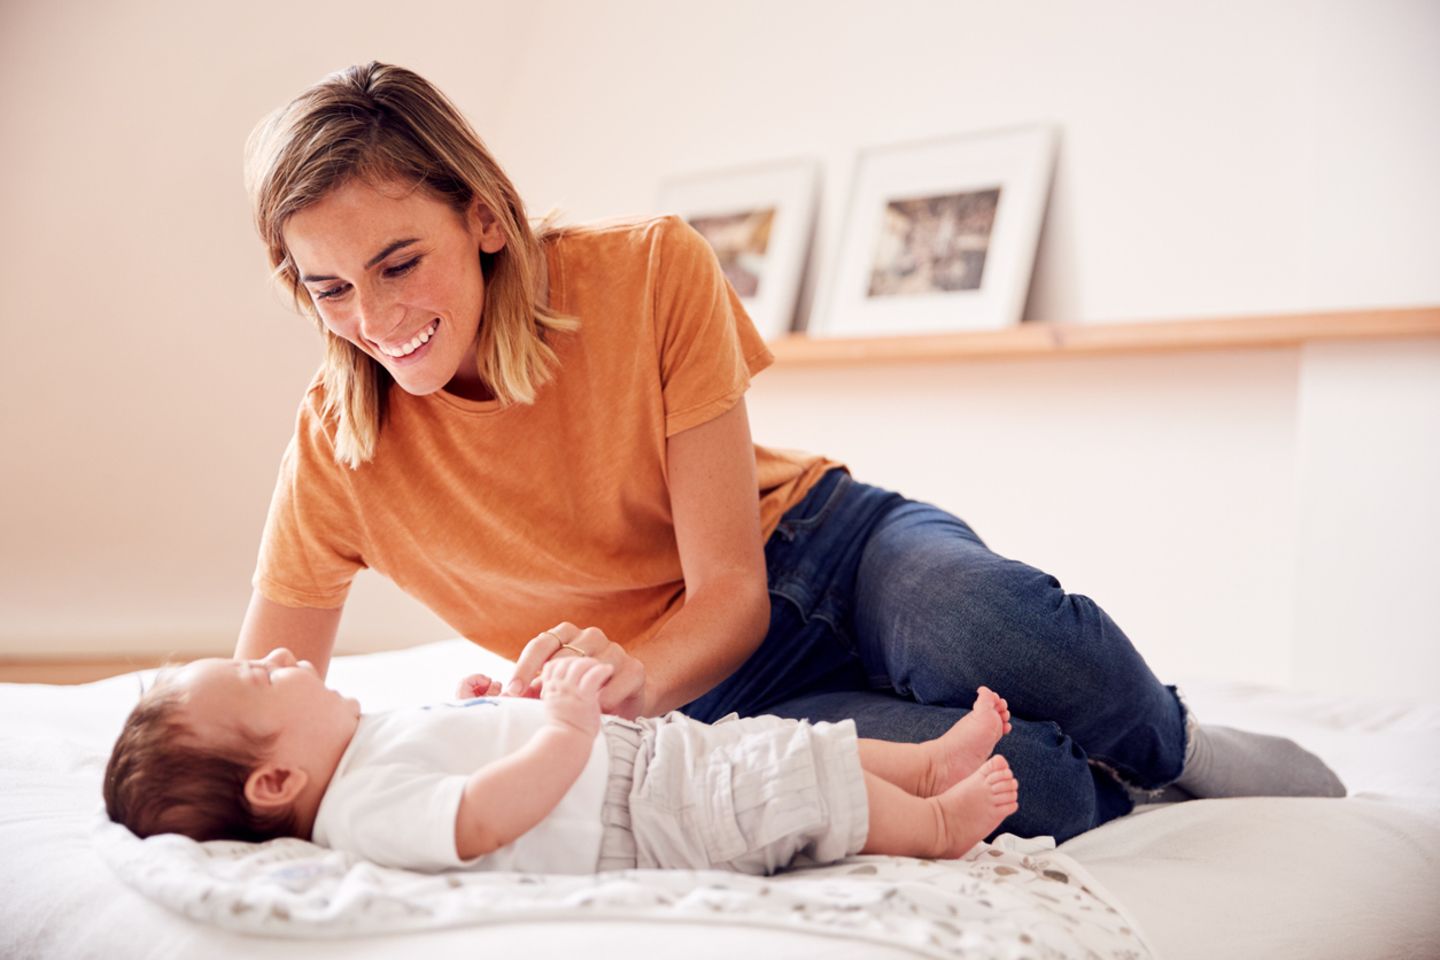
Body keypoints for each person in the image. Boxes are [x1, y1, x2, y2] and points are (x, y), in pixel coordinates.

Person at [234, 61, 1344, 847]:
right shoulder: (340, 449)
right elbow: (250, 708)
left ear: (480, 217)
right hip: (696, 702)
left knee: (988, 622)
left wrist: (627, 678)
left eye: (397, 263)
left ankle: (1173, 738)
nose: (374, 318)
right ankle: (1112, 775)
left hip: (822, 552)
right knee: (1023, 783)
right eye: (328, 288)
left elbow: (732, 598)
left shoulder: (644, 272)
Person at [104, 648, 1021, 874]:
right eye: (263, 682)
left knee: (779, 745)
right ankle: (934, 827)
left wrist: (489, 708)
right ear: (274, 784)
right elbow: (482, 815)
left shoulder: (361, 748)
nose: (285, 660)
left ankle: (927, 763)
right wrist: (564, 731)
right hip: (637, 818)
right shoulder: (356, 811)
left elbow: (466, 758)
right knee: (792, 785)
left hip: (644, 763)